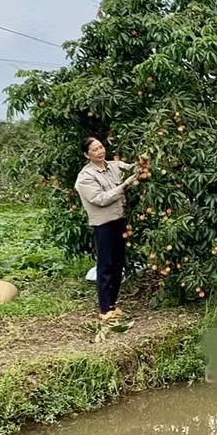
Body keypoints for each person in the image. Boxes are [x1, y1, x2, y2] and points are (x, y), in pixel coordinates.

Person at [74, 137, 143, 320]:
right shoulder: (85, 177)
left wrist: (144, 159)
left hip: (120, 220)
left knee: (118, 264)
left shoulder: (114, 166)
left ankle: (112, 304)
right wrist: (125, 185)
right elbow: (100, 199)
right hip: (103, 224)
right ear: (87, 155)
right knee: (106, 265)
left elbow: (133, 168)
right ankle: (105, 309)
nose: (100, 151)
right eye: (95, 149)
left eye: (101, 147)